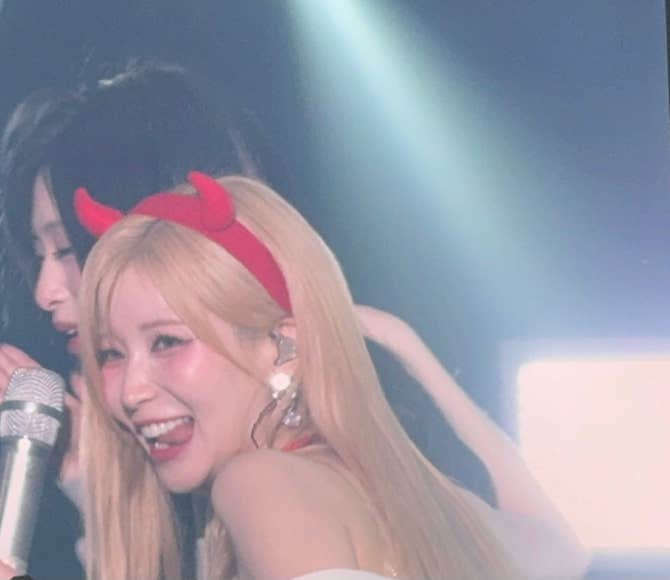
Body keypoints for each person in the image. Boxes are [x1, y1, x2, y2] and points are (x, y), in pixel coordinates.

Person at [55, 171, 584, 580]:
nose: (130, 391)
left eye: (167, 342)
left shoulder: (260, 483)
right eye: (110, 354)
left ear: (283, 349)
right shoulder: (413, 502)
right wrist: (407, 346)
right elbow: (559, 550)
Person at [0, 60, 249, 578]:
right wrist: (91, 485)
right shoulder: (192, 479)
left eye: (67, 250)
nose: (45, 293)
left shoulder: (270, 486)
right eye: (38, 255)